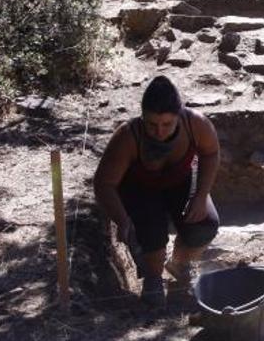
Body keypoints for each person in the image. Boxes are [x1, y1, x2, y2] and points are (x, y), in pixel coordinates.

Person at [94, 76, 220, 306]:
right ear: (142, 116)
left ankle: (179, 264)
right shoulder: (127, 137)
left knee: (204, 224)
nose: (159, 132)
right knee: (151, 234)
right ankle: (153, 278)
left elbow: (211, 153)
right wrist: (122, 220)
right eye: (152, 124)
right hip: (141, 188)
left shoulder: (196, 124)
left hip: (181, 181)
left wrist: (201, 197)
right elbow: (103, 183)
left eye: (167, 124)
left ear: (179, 116)